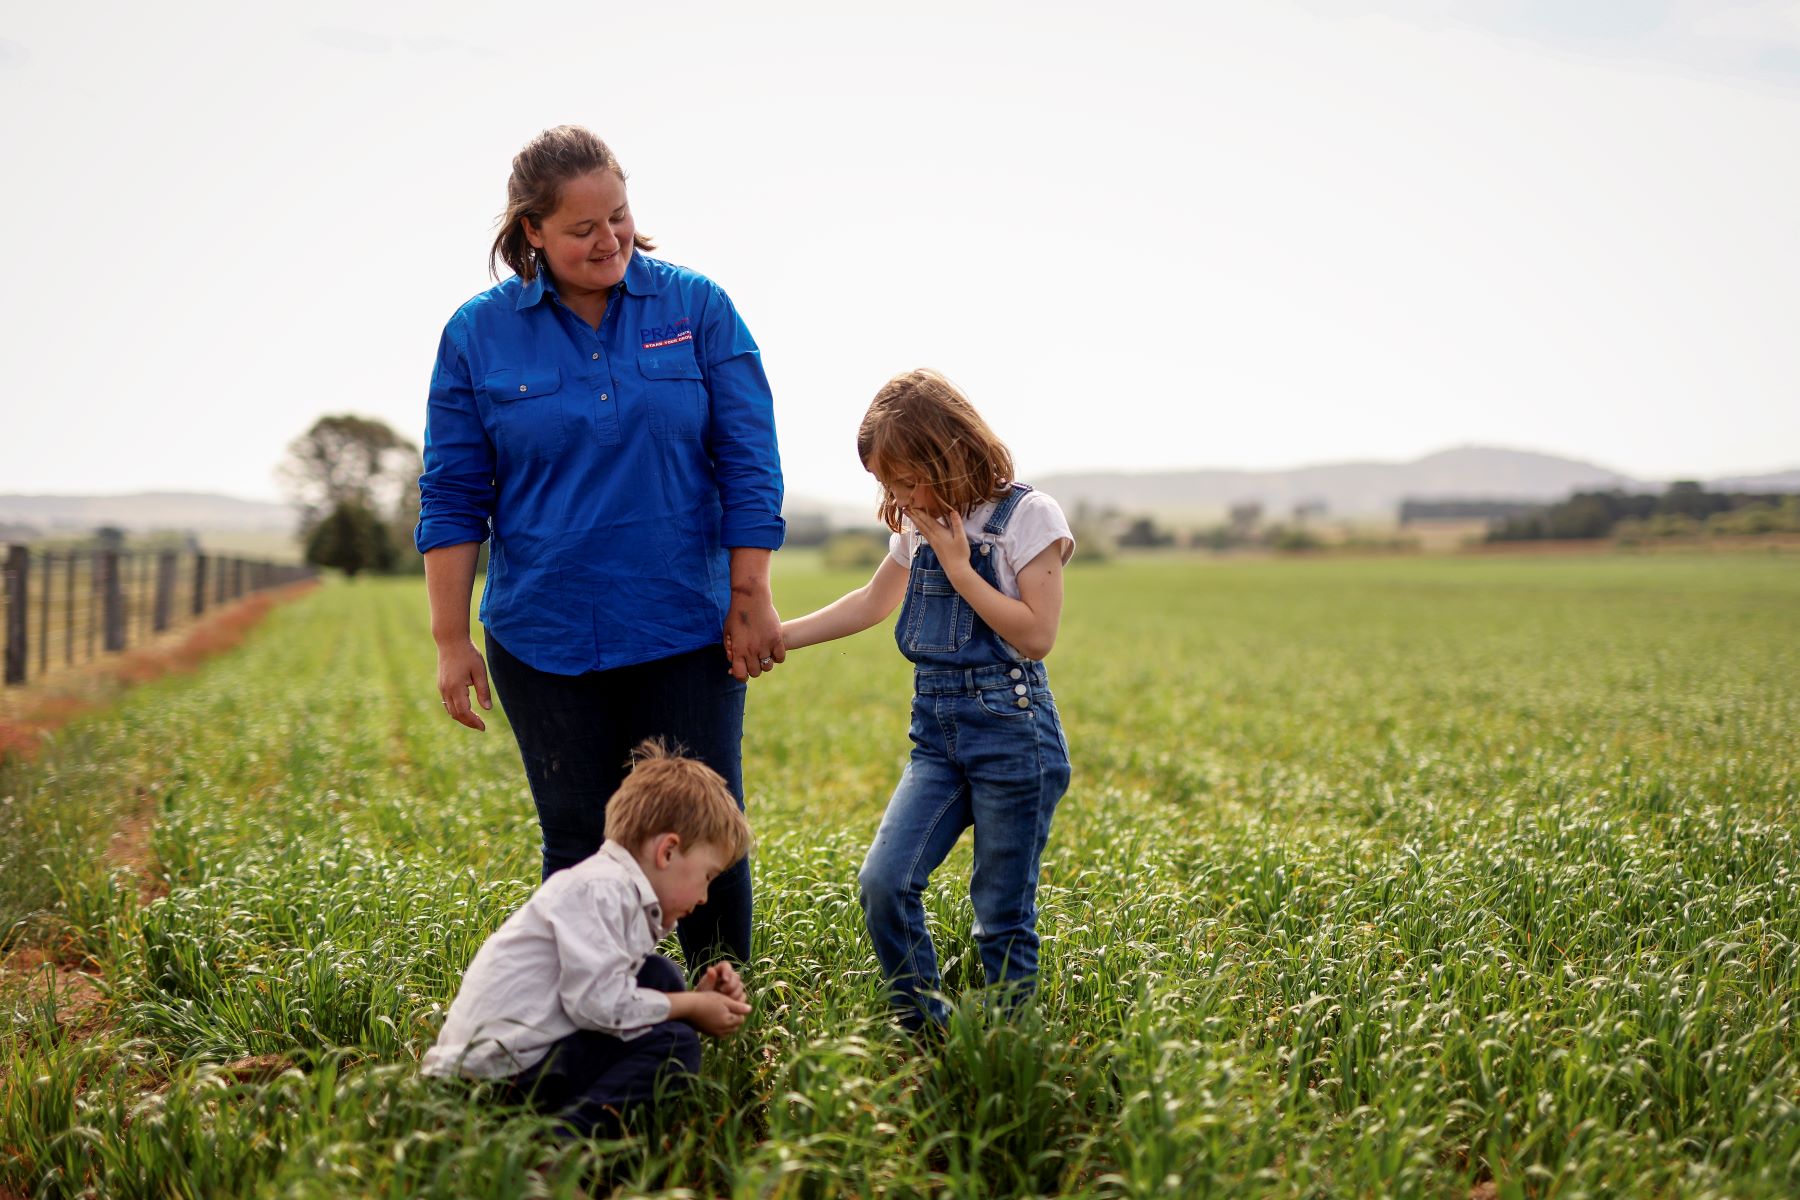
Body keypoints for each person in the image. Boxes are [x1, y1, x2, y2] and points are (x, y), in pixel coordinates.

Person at [415, 125, 785, 969]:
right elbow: (453, 496)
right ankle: (605, 1018)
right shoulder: (476, 336)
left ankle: (721, 1007)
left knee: (702, 829)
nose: (608, 240)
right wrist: (449, 637)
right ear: (531, 231)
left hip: (686, 630)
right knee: (582, 842)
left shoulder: (698, 309)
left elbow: (750, 462)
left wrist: (751, 596)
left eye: (618, 217)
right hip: (545, 639)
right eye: (582, 228)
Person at [778, 369, 1074, 1030]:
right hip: (936, 736)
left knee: (1001, 917)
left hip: (1012, 732)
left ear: (948, 451)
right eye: (888, 484)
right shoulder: (917, 526)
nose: (900, 496)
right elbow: (869, 604)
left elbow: (1036, 636)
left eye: (907, 479)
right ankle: (925, 1029)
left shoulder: (1027, 516)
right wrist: (776, 637)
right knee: (884, 884)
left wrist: (962, 566)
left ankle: (1002, 1053)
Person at [421, 743, 754, 1138]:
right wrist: (693, 1006)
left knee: (658, 975)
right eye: (707, 876)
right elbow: (599, 1005)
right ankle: (553, 1151)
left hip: (511, 1062)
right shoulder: (601, 892)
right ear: (668, 851)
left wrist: (690, 1000)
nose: (703, 897)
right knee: (674, 1047)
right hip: (490, 1079)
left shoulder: (608, 886)